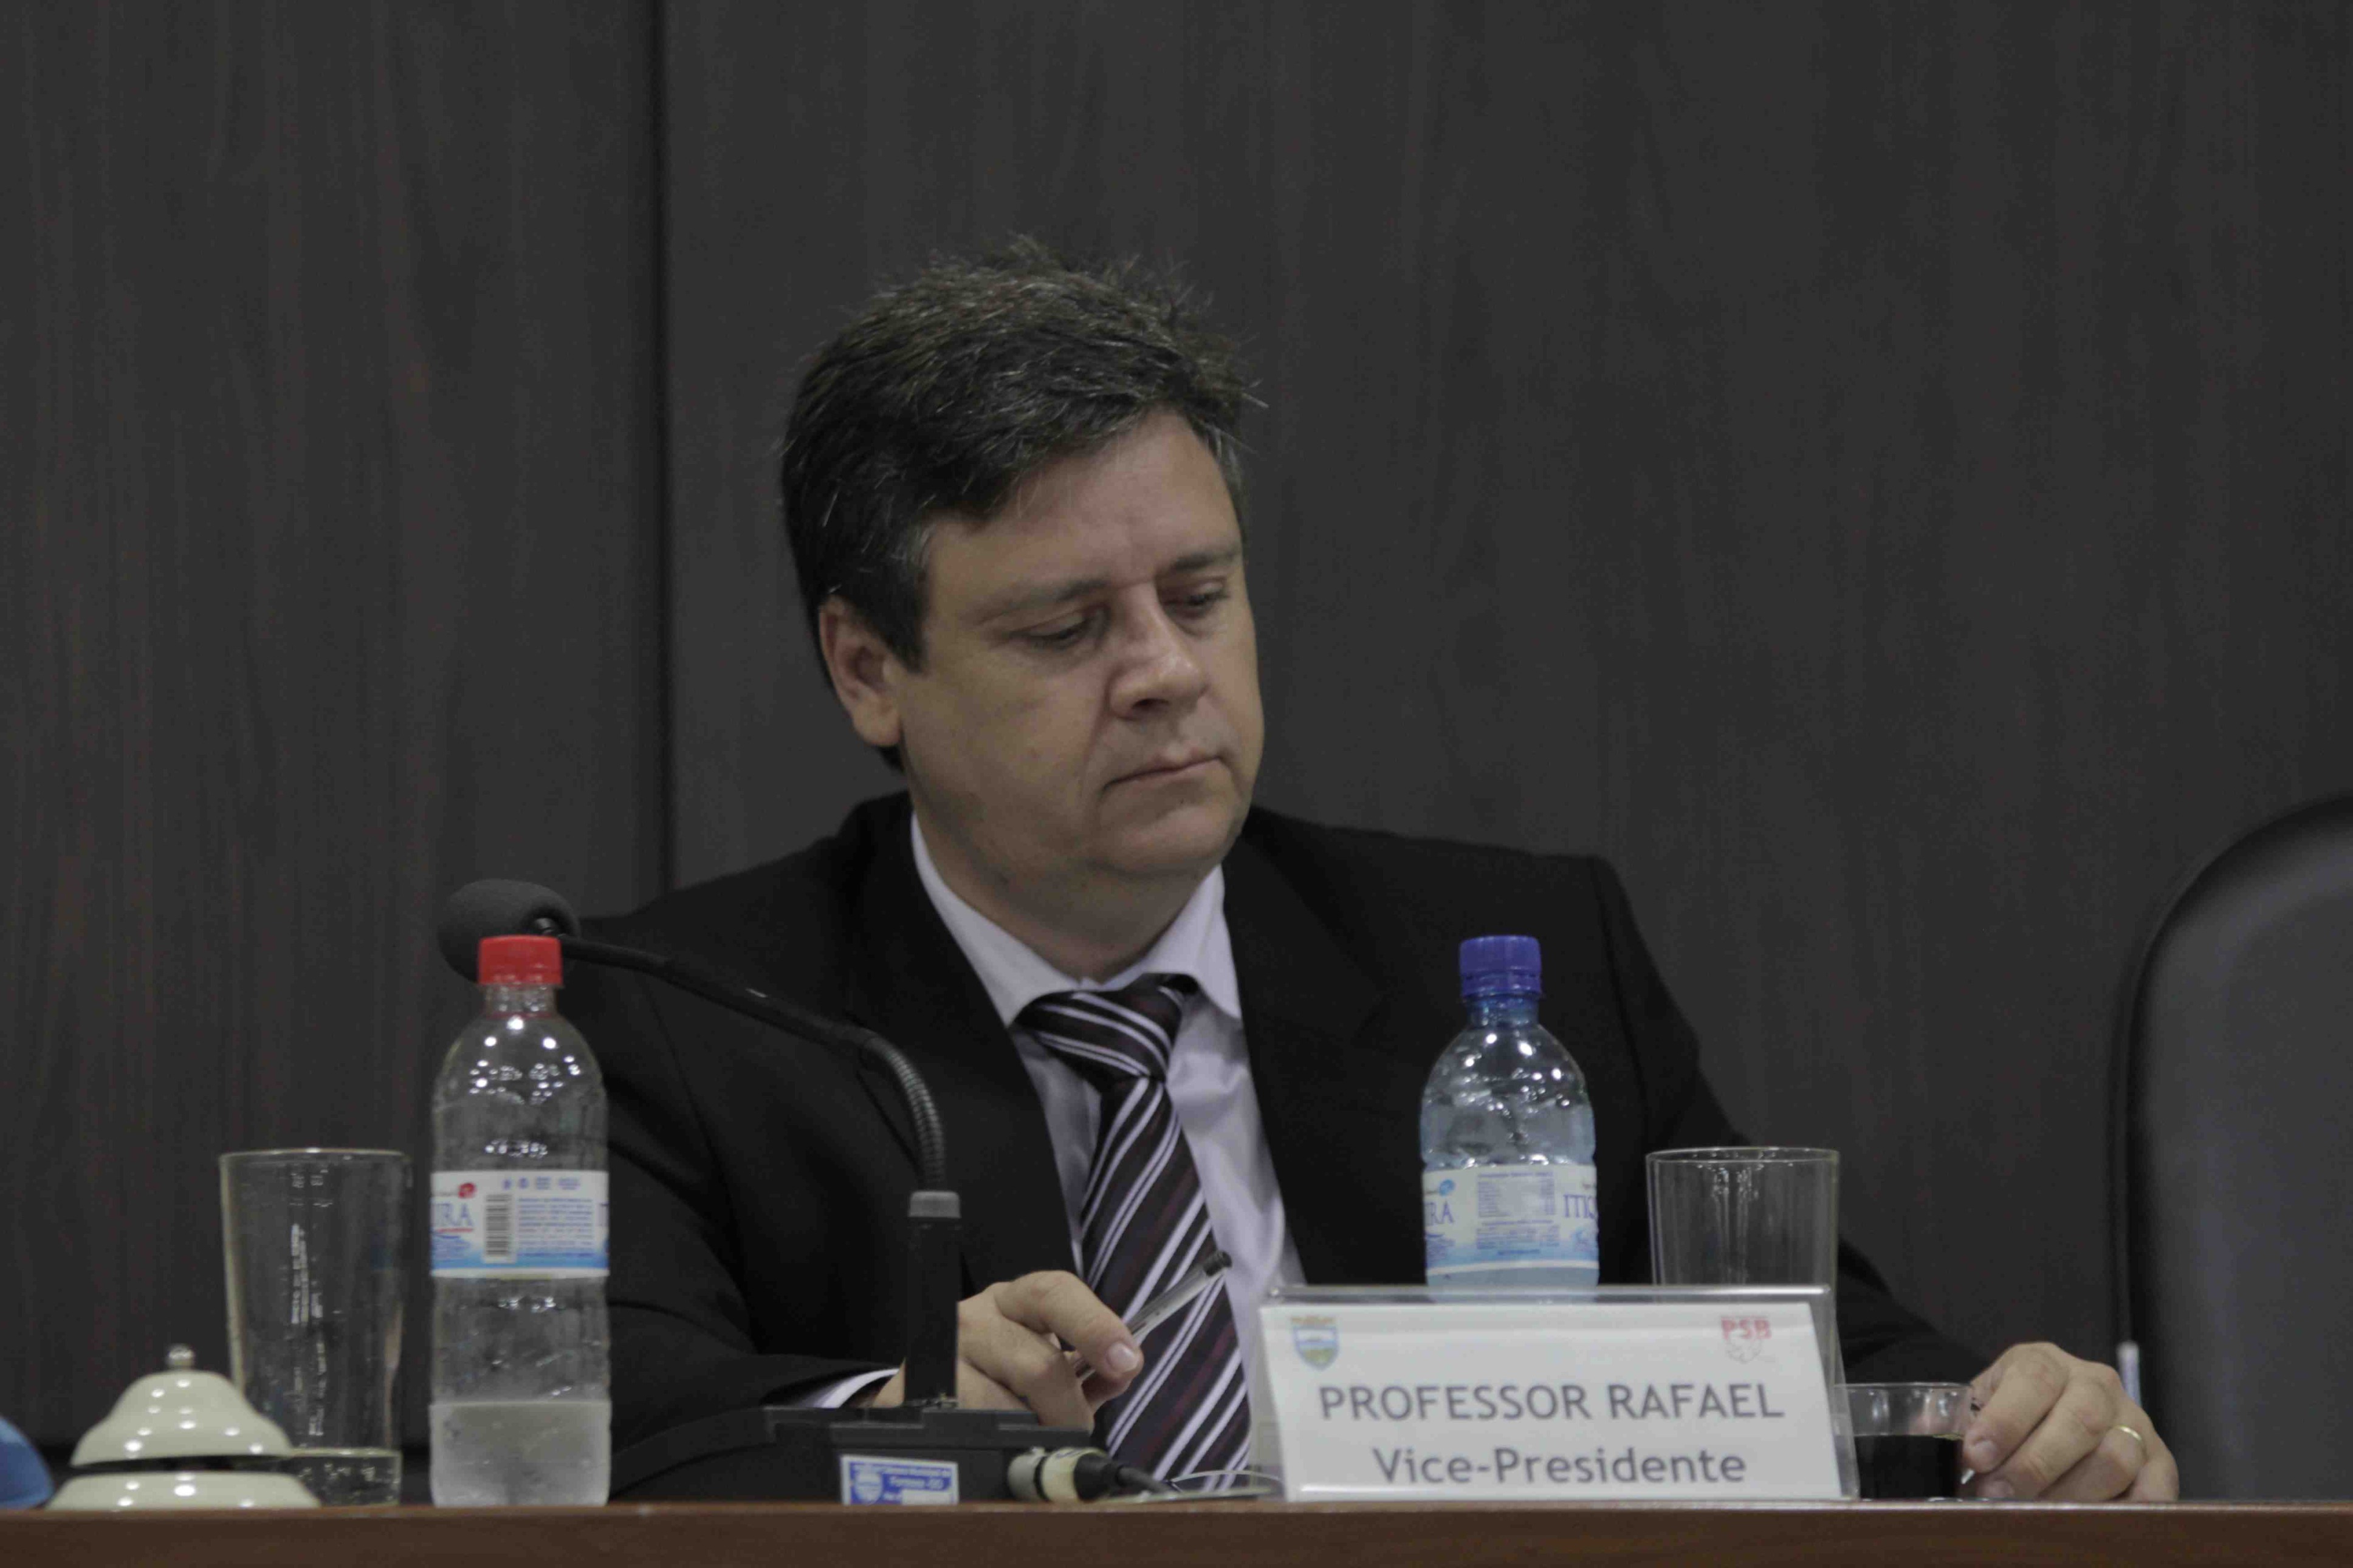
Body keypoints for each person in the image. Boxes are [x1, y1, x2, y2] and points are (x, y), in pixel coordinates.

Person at [562, 241, 2177, 1501]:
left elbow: (1819, 1367)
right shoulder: (699, 1022)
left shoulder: (1515, 960)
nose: (1164, 672)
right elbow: (594, 1428)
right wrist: (905, 1413)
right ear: (868, 669)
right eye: (1066, 629)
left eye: (1200, 598)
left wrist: (2026, 1425)